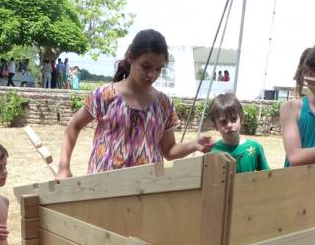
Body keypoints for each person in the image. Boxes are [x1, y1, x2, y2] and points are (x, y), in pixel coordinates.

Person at [56, 29, 214, 179]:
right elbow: (73, 126)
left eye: (158, 69)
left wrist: (194, 145)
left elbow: (168, 150)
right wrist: (64, 167)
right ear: (131, 57)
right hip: (103, 189)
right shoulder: (104, 95)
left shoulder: (164, 104)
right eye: (145, 66)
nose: (151, 74)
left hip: (147, 190)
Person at [209, 93, 269, 172]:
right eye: (223, 122)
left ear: (241, 119)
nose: (229, 125)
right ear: (215, 126)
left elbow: (267, 177)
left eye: (233, 119)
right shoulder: (212, 152)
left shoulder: (254, 148)